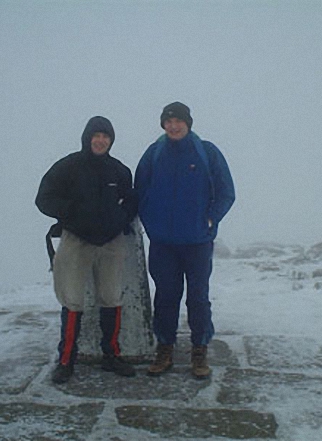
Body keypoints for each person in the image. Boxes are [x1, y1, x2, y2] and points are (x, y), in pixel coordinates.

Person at [134, 102, 235, 379]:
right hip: (163, 243)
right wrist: (151, 224)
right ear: (163, 125)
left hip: (198, 242)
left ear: (188, 123)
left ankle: (199, 349)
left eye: (178, 121)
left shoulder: (206, 152)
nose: (173, 126)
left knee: (198, 298)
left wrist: (211, 219)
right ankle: (165, 347)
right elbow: (139, 191)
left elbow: (226, 192)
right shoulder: (154, 153)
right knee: (166, 297)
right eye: (168, 121)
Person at [36, 116, 138, 384]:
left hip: (110, 242)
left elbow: (132, 201)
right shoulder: (68, 167)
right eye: (96, 135)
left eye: (106, 136)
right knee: (72, 300)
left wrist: (121, 219)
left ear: (111, 140)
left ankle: (112, 356)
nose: (101, 140)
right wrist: (70, 211)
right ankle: (67, 359)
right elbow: (43, 198)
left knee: (111, 297)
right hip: (77, 240)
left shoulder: (119, 171)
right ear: (87, 138)